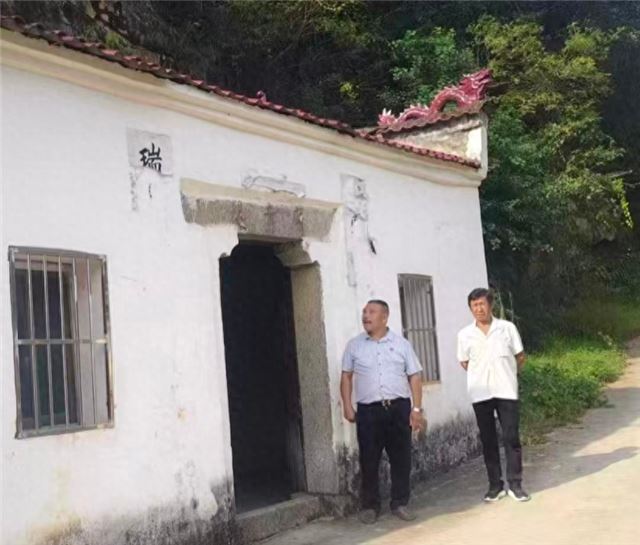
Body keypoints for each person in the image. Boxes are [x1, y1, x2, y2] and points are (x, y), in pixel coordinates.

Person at [340, 299, 425, 524]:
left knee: (401, 458)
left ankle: (400, 503)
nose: (366, 316)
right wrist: (347, 405)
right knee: (369, 459)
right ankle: (370, 506)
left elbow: (414, 376)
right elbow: (346, 376)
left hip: (398, 408)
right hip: (368, 411)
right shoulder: (354, 345)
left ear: (384, 317)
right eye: (364, 312)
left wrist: (416, 409)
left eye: (371, 312)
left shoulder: (401, 344)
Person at [457, 288, 531, 502]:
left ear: (490, 305)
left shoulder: (507, 328)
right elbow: (464, 362)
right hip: (481, 393)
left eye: (482, 304)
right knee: (488, 440)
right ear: (470, 308)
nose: (478, 309)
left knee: (511, 437)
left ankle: (515, 484)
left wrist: (506, 372)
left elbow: (520, 356)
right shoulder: (464, 335)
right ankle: (495, 485)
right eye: (474, 305)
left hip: (506, 390)